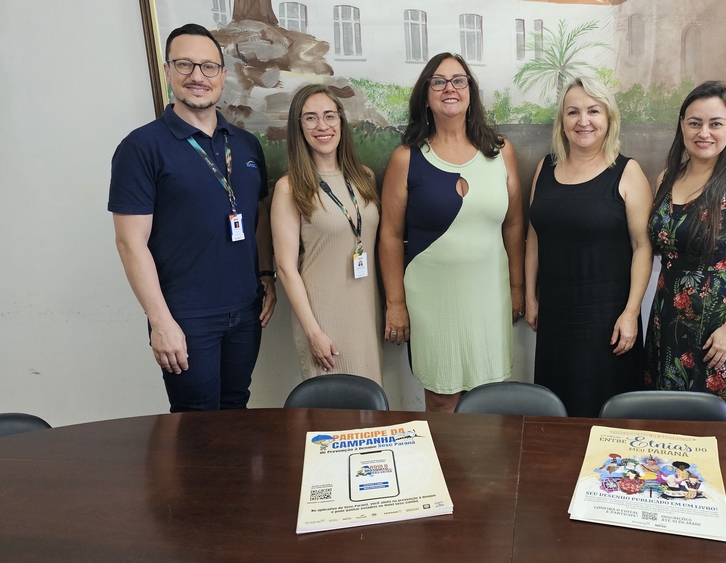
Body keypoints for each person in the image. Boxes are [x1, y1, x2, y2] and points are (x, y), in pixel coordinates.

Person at [109, 24, 276, 412]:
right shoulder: (141, 147)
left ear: (223, 75)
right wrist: (160, 322)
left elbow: (259, 214)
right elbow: (130, 242)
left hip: (245, 309)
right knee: (196, 426)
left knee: (235, 410)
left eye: (208, 67)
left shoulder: (245, 144)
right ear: (168, 71)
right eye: (185, 64)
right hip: (185, 317)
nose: (197, 76)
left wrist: (267, 275)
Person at [379, 53, 524, 413]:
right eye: (439, 82)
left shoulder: (500, 152)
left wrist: (517, 287)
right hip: (431, 301)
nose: (450, 88)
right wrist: (395, 303)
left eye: (459, 80)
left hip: (489, 296)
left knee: (487, 398)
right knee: (442, 400)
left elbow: (514, 224)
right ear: (425, 95)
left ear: (470, 91)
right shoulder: (406, 158)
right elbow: (390, 235)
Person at [644, 80, 726, 422]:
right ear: (682, 126)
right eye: (694, 122)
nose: (704, 132)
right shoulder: (666, 178)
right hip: (667, 320)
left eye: (715, 123)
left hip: (721, 322)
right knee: (667, 424)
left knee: (719, 425)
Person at [525, 77, 652, 417]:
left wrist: (631, 313)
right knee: (556, 411)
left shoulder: (628, 172)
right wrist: (530, 296)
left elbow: (642, 247)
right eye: (573, 112)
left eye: (593, 111)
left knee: (607, 416)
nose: (583, 121)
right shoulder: (545, 168)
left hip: (607, 320)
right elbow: (534, 236)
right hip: (554, 316)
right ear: (562, 121)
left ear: (609, 118)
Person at [271, 84, 383, 382]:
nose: (322, 126)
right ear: (299, 126)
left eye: (330, 116)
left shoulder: (365, 177)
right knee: (331, 407)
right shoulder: (289, 188)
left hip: (366, 311)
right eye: (310, 118)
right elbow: (286, 268)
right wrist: (313, 332)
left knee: (370, 401)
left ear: (341, 122)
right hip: (322, 318)